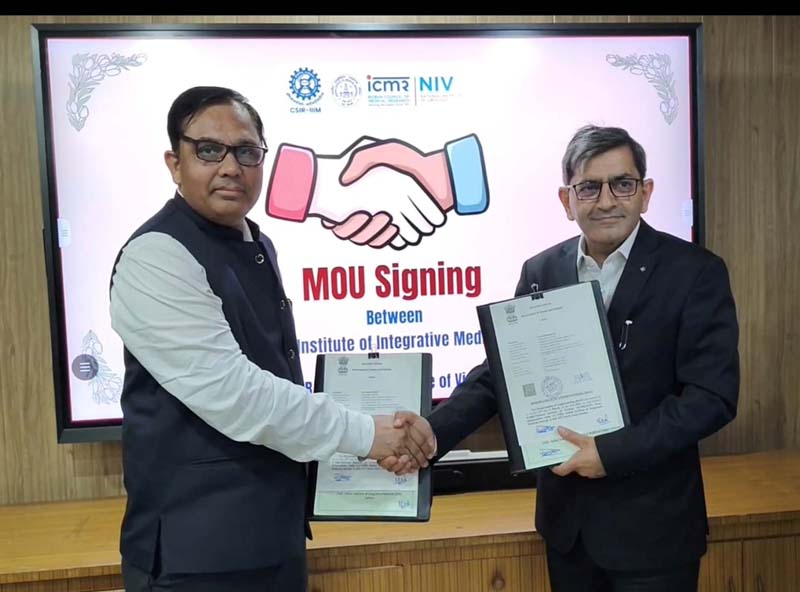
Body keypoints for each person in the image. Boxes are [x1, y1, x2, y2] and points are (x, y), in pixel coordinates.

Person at [383, 125, 740, 591]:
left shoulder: (695, 272)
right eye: (588, 187)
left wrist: (610, 454)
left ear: (646, 192)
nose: (606, 201)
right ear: (566, 200)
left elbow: (711, 397)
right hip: (569, 531)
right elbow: (500, 375)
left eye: (622, 184)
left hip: (654, 533)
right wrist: (434, 431)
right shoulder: (542, 270)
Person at [109, 86, 435, 592]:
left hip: (272, 540)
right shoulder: (156, 256)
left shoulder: (258, 242)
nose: (231, 167)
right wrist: (370, 435)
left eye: (247, 152)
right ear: (175, 163)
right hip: (195, 558)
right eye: (209, 150)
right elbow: (236, 395)